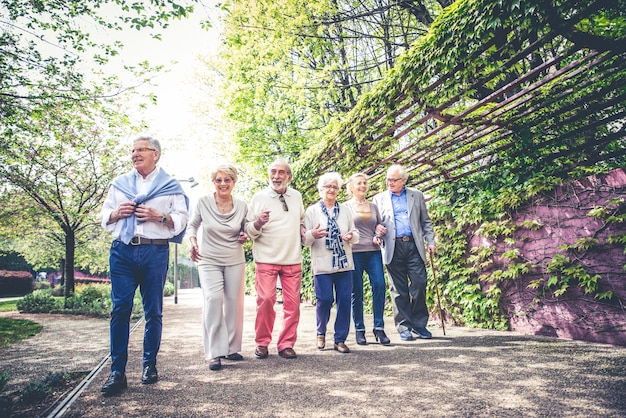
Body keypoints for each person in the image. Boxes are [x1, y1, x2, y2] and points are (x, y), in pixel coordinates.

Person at [99, 135, 189, 396]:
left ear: (155, 154)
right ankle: (117, 372)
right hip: (122, 251)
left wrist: (160, 216)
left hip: (154, 251)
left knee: (154, 311)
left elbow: (182, 218)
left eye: (141, 150)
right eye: (133, 150)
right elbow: (104, 215)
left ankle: (149, 365)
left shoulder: (170, 186)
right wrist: (117, 214)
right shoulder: (120, 184)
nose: (135, 154)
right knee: (120, 310)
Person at [187, 164, 248, 372]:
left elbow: (246, 227)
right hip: (208, 258)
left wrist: (245, 234)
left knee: (233, 303)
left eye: (227, 180)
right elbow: (192, 225)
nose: (223, 184)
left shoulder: (241, 205)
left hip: (234, 258)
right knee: (213, 300)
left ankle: (231, 348)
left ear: (233, 182)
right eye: (219, 180)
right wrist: (193, 242)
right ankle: (214, 352)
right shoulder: (203, 202)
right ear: (213, 182)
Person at [245, 159, 305, 359]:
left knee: (293, 305)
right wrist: (258, 223)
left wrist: (306, 231)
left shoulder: (296, 196)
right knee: (266, 300)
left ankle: (286, 344)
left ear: (289, 177)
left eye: (281, 172)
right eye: (273, 172)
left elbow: (301, 221)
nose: (276, 176)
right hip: (266, 258)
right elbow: (249, 230)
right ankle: (262, 342)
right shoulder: (259, 197)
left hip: (292, 258)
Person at [373, 164, 436, 341]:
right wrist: (377, 231)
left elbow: (426, 222)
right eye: (387, 179)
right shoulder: (379, 199)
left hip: (414, 246)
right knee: (398, 289)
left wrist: (430, 241)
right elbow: (375, 223)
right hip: (393, 247)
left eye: (393, 180)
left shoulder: (416, 195)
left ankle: (419, 325)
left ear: (403, 180)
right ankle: (403, 327)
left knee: (420, 284)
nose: (389, 183)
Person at [302, 172, 359, 354]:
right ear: (320, 189)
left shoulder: (345, 210)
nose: (331, 189)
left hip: (344, 262)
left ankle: (340, 339)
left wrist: (351, 236)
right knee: (325, 299)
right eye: (327, 186)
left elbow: (355, 232)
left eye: (335, 186)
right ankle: (321, 333)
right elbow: (305, 240)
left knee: (344, 299)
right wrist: (313, 234)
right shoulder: (312, 211)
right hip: (323, 262)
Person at [344, 172, 391, 346]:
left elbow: (380, 226)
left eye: (364, 183)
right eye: (358, 183)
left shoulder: (373, 206)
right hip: (354, 252)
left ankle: (379, 328)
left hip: (373, 251)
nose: (362, 186)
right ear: (351, 187)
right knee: (357, 291)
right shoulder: (345, 207)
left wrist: (378, 234)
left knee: (379, 285)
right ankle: (359, 330)